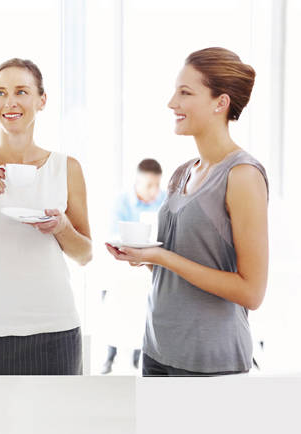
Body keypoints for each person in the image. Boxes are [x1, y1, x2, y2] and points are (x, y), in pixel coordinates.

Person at [106, 47, 268, 376]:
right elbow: (187, 263)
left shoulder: (242, 175)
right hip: (158, 348)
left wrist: (162, 258)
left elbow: (251, 292)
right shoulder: (182, 173)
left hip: (209, 359)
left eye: (185, 93)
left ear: (219, 103)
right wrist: (147, 258)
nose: (171, 103)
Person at [0, 58, 92, 375]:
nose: (10, 102)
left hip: (56, 328)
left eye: (21, 91)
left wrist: (62, 227)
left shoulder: (67, 168)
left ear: (41, 100)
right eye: (0, 93)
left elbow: (85, 254)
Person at [101, 158, 165, 374]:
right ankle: (111, 355)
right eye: (149, 185)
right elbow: (112, 235)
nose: (154, 191)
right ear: (137, 182)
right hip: (123, 267)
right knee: (117, 307)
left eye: (157, 185)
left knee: (146, 307)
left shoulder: (164, 201)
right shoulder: (121, 202)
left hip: (149, 267)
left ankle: (140, 355)